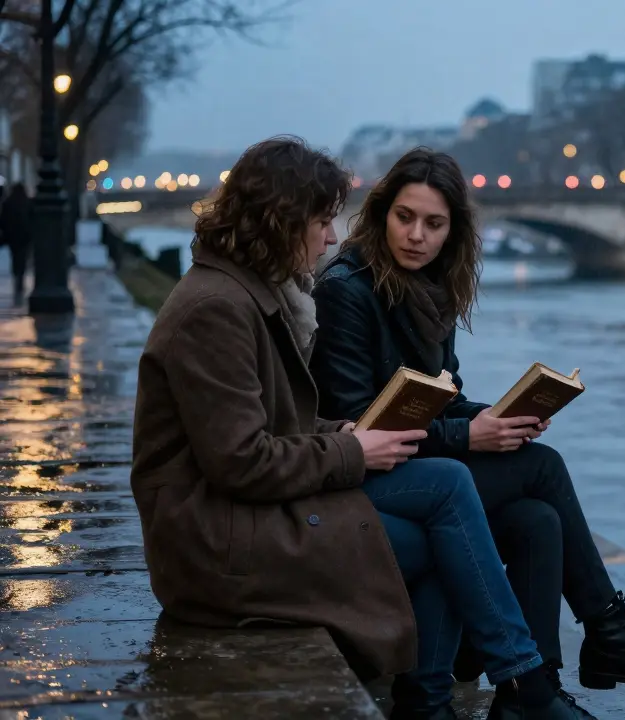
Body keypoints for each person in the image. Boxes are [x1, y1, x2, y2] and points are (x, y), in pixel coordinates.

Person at [129, 136, 580, 720]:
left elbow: (271, 426)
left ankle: (462, 693)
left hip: (240, 518)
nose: (333, 237)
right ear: (280, 221)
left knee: (447, 495)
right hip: (214, 542)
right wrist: (351, 449)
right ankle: (505, 686)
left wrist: (341, 430)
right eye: (322, 220)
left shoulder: (245, 294)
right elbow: (238, 461)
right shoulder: (216, 310)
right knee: (446, 511)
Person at [309, 147, 625, 717]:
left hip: (413, 462)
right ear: (380, 215)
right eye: (405, 217)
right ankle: (607, 633)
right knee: (542, 468)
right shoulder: (347, 291)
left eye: (433, 223)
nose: (416, 235)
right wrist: (469, 436)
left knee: (536, 519)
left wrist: (498, 417)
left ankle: (530, 694)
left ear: (454, 231)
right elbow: (359, 420)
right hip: (363, 473)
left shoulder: (430, 291)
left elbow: (439, 397)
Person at [0, 181, 32, 302]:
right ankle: (20, 280)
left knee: (15, 258)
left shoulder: (8, 203)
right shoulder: (27, 202)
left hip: (12, 237)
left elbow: (2, 220)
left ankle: (17, 278)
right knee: (23, 259)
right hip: (25, 237)